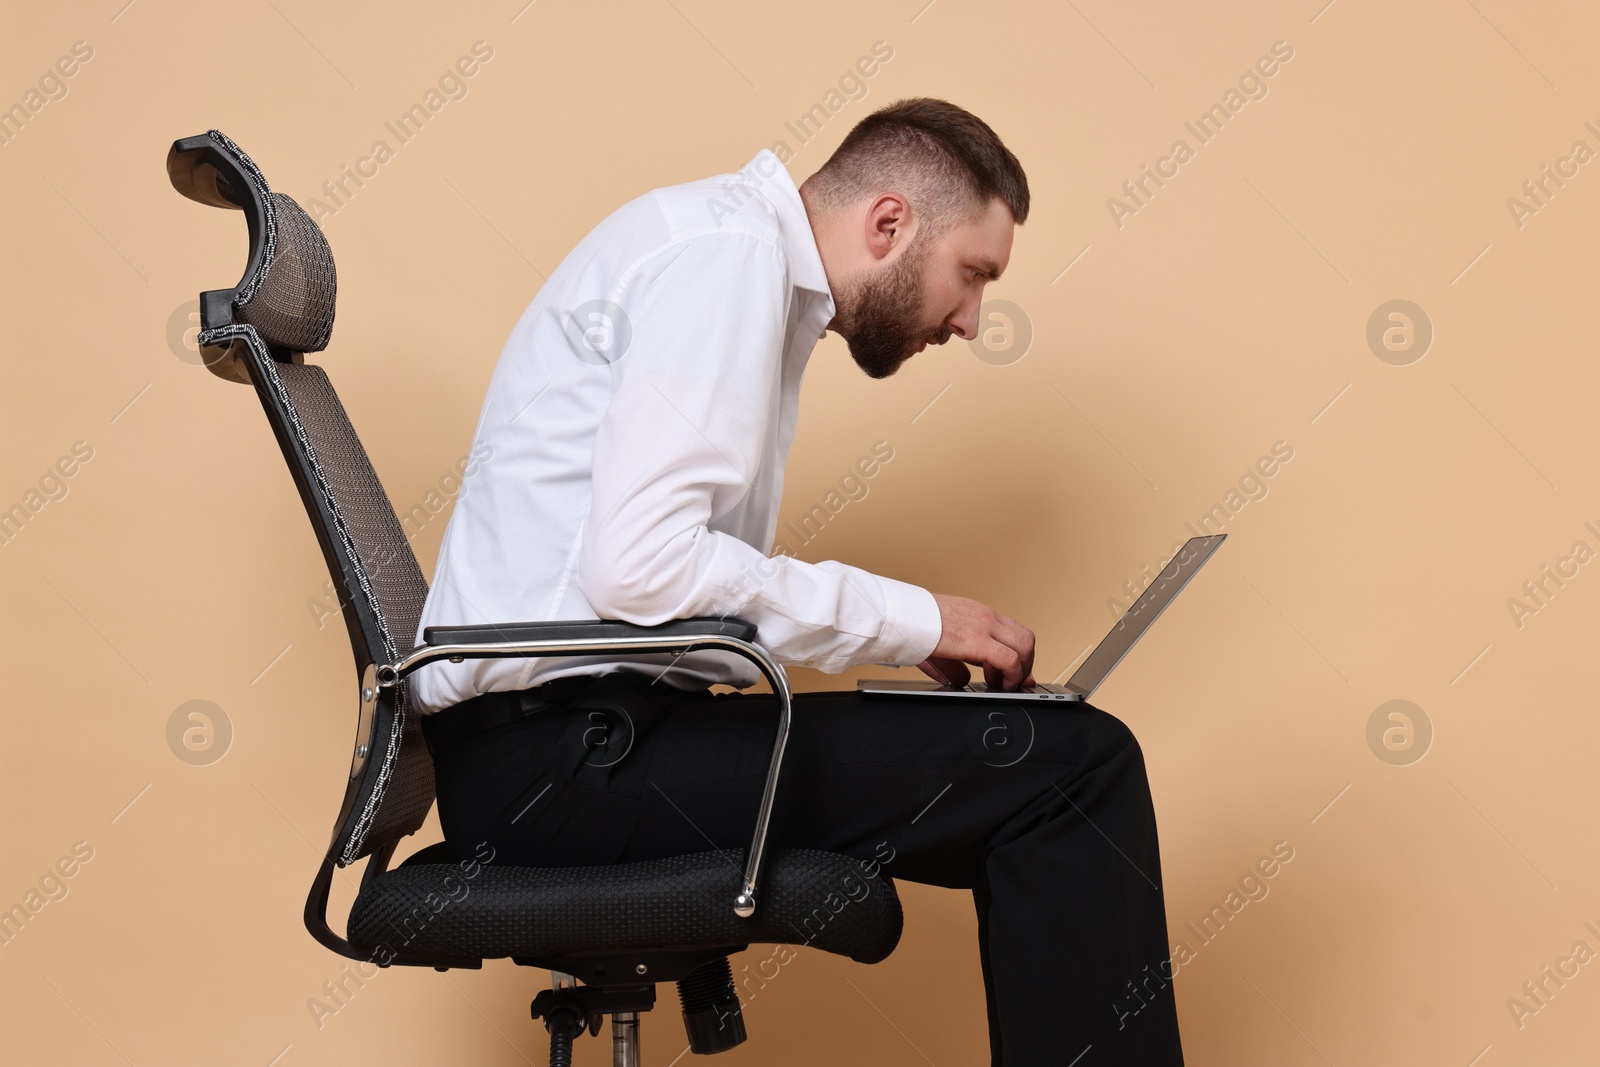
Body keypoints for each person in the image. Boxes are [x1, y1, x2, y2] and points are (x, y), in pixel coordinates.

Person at [410, 97, 1184, 1066]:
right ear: (890, 222)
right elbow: (639, 565)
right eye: (972, 273)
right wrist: (908, 618)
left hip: (575, 747)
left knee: (1039, 757)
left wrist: (903, 639)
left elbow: (641, 587)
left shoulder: (726, 254)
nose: (973, 319)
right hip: (565, 766)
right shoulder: (725, 256)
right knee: (1074, 767)